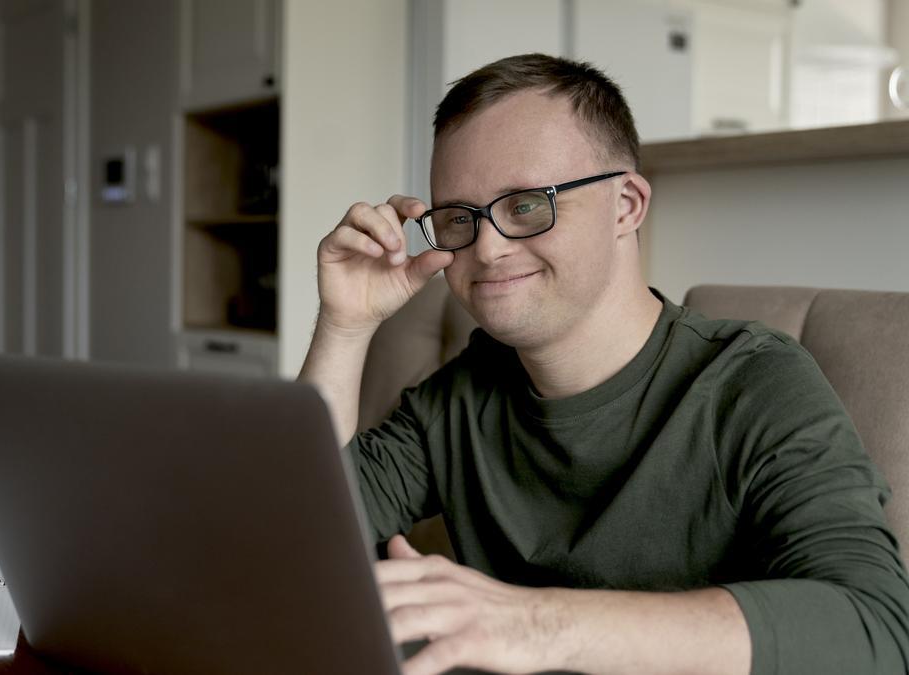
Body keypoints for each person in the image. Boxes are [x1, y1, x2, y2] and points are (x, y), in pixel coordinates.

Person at [298, 53, 909, 675]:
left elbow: (874, 629)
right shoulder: (466, 391)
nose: (486, 247)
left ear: (626, 205)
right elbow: (300, 533)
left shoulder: (753, 381)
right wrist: (346, 324)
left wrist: (537, 625)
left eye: (527, 204)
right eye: (460, 217)